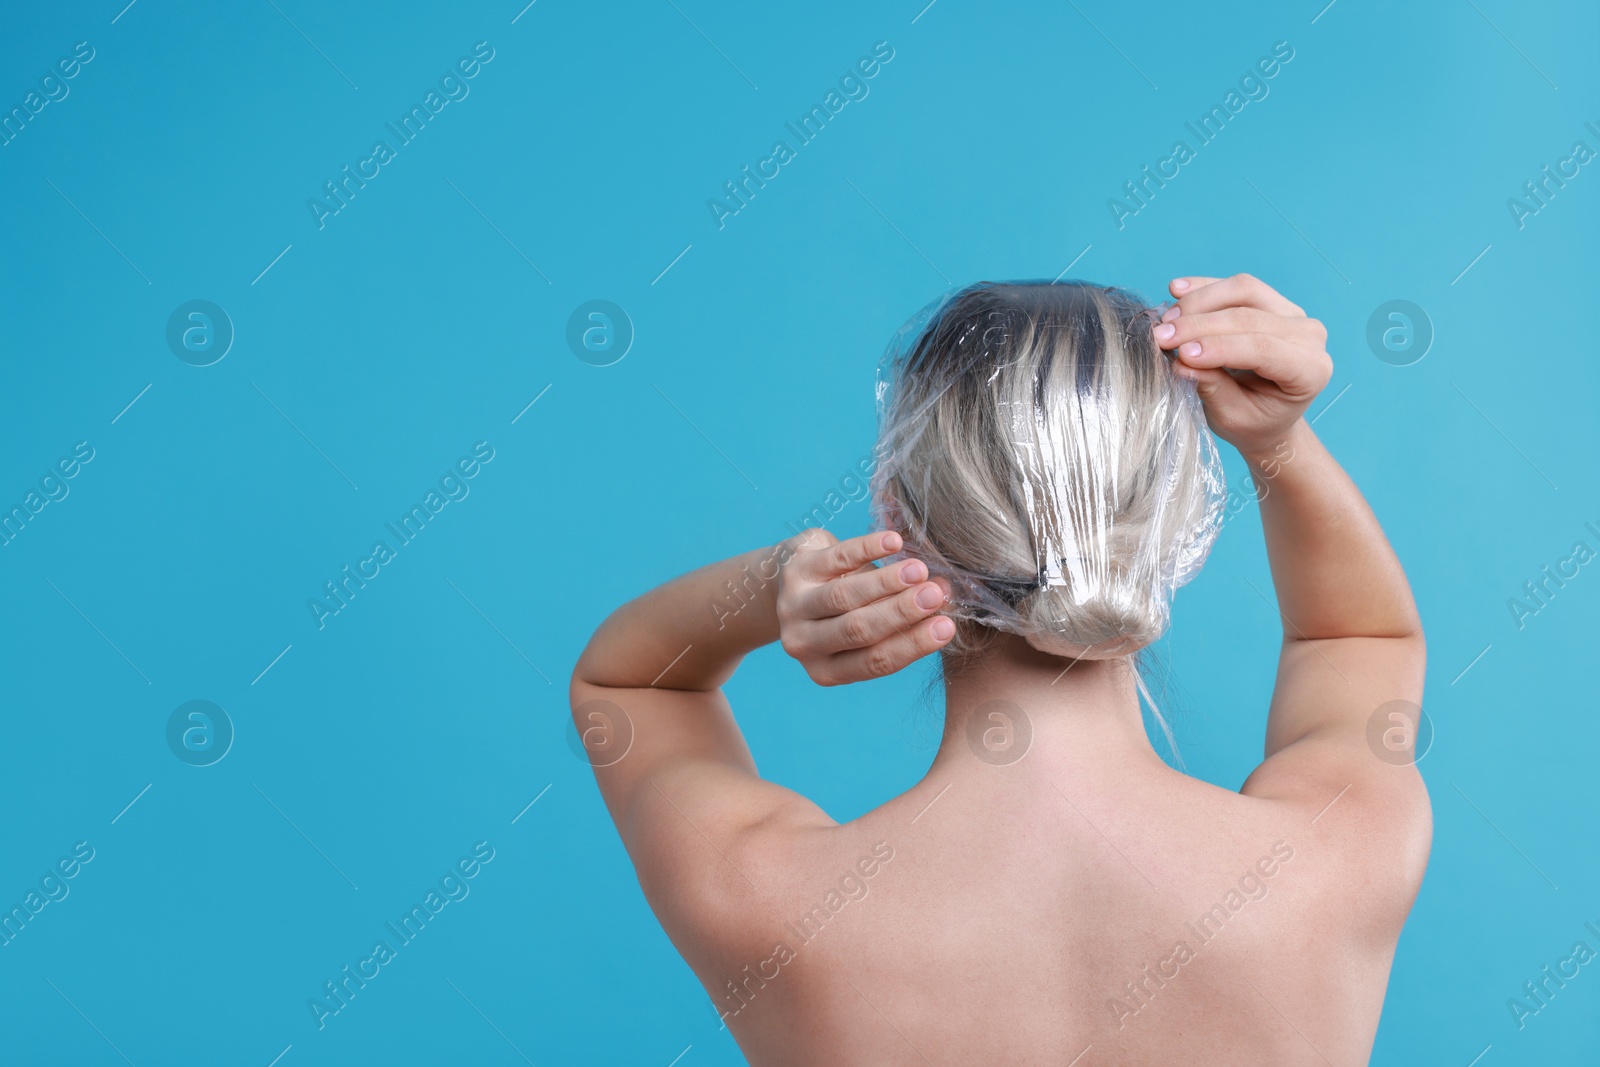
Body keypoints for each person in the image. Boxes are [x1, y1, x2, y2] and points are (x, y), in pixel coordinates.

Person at [571, 274, 1431, 1065]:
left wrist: (775, 587)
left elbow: (628, 687)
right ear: (1171, 523)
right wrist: (1280, 443)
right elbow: (1359, 640)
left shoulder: (768, 899)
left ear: (894, 508)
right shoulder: (1330, 865)